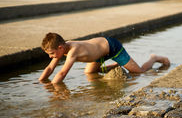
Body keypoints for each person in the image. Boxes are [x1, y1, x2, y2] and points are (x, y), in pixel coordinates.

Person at [39, 32, 170, 84]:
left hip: (111, 47)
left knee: (139, 73)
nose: (51, 57)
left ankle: (154, 58)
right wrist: (41, 81)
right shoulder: (61, 49)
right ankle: (117, 66)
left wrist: (53, 86)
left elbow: (62, 73)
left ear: (61, 47)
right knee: (89, 73)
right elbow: (50, 68)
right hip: (98, 53)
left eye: (51, 54)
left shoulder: (73, 51)